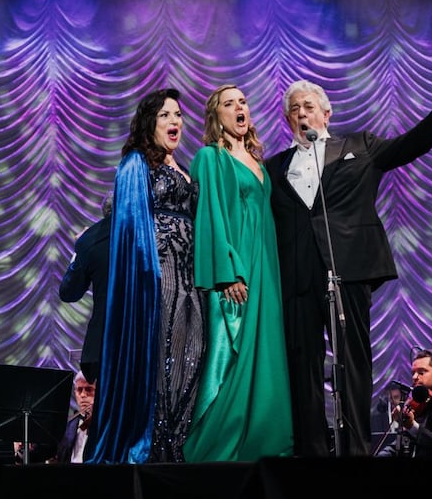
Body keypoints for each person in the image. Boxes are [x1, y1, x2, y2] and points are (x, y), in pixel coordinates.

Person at [266, 71, 432, 457]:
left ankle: (355, 451)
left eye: (309, 106)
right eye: (295, 109)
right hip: (297, 276)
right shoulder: (273, 167)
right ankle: (310, 451)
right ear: (287, 119)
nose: (302, 113)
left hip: (348, 268)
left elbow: (409, 146)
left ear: (327, 113)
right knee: (301, 364)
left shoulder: (360, 145)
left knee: (352, 361)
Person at [87, 88, 206, 463]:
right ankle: (155, 446)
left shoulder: (183, 168)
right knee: (162, 356)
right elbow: (129, 230)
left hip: (189, 273)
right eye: (165, 115)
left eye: (178, 115)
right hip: (157, 274)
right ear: (149, 123)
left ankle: (178, 440)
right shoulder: (136, 164)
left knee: (192, 353)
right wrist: (144, 277)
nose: (175, 121)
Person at [182, 84, 294, 462]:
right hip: (235, 269)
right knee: (233, 352)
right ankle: (219, 447)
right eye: (229, 104)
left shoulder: (260, 163)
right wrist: (227, 272)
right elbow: (210, 216)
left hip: (266, 268)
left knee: (266, 351)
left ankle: (265, 441)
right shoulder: (210, 157)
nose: (239, 108)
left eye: (243, 101)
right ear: (217, 116)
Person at [59, 191, 113, 384]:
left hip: (105, 347)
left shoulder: (90, 240)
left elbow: (69, 292)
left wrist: (79, 249)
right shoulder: (152, 232)